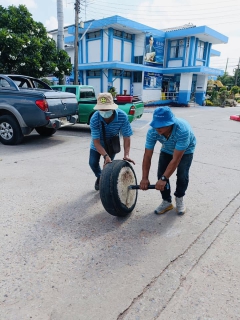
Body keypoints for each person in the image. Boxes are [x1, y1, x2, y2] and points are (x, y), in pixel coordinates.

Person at [140, 107, 196, 215]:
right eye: (157, 124)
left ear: (171, 123)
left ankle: (179, 198)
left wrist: (164, 179)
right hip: (167, 148)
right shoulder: (152, 131)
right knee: (160, 173)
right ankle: (166, 201)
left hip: (186, 150)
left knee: (182, 174)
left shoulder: (182, 130)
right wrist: (144, 178)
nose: (158, 128)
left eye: (162, 124)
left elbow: (176, 160)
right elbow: (147, 156)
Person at [89, 92, 135, 191]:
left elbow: (127, 136)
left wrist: (126, 154)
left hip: (112, 143)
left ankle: (104, 180)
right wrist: (105, 156)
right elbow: (96, 141)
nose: (104, 111)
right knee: (92, 163)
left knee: (108, 165)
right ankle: (100, 177)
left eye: (107, 109)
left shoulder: (122, 116)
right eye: (102, 109)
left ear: (113, 107)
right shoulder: (95, 118)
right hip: (97, 143)